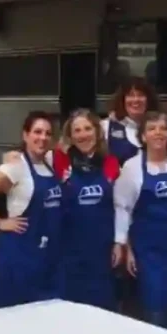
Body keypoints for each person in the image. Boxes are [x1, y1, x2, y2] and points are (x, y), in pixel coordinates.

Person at [0, 112, 62, 309]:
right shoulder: (15, 167)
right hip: (18, 259)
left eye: (47, 133)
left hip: (45, 259)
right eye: (37, 132)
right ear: (25, 135)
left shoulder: (50, 163)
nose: (42, 138)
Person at [114, 112, 167, 330]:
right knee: (156, 311)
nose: (158, 133)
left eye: (163, 129)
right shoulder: (131, 168)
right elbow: (123, 210)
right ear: (142, 137)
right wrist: (127, 248)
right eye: (151, 129)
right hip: (149, 252)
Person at [54, 110, 123, 311]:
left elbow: (120, 207)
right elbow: (30, 154)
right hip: (69, 249)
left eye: (87, 128)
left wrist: (119, 243)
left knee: (103, 309)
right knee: (70, 310)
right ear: (70, 136)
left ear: (97, 131)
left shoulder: (111, 162)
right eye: (77, 130)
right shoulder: (59, 160)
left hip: (102, 249)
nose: (83, 135)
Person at [103, 77, 158, 165]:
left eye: (140, 95)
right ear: (122, 100)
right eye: (130, 95)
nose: (136, 100)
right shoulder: (106, 127)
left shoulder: (161, 126)